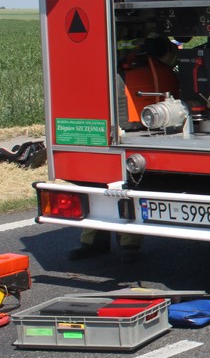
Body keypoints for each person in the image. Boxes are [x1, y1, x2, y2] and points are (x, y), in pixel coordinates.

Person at [70, 36, 181, 262]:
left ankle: (129, 244)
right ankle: (92, 242)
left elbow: (172, 58)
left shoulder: (158, 48)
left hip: (134, 124)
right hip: (108, 122)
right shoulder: (105, 50)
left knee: (127, 186)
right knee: (98, 185)